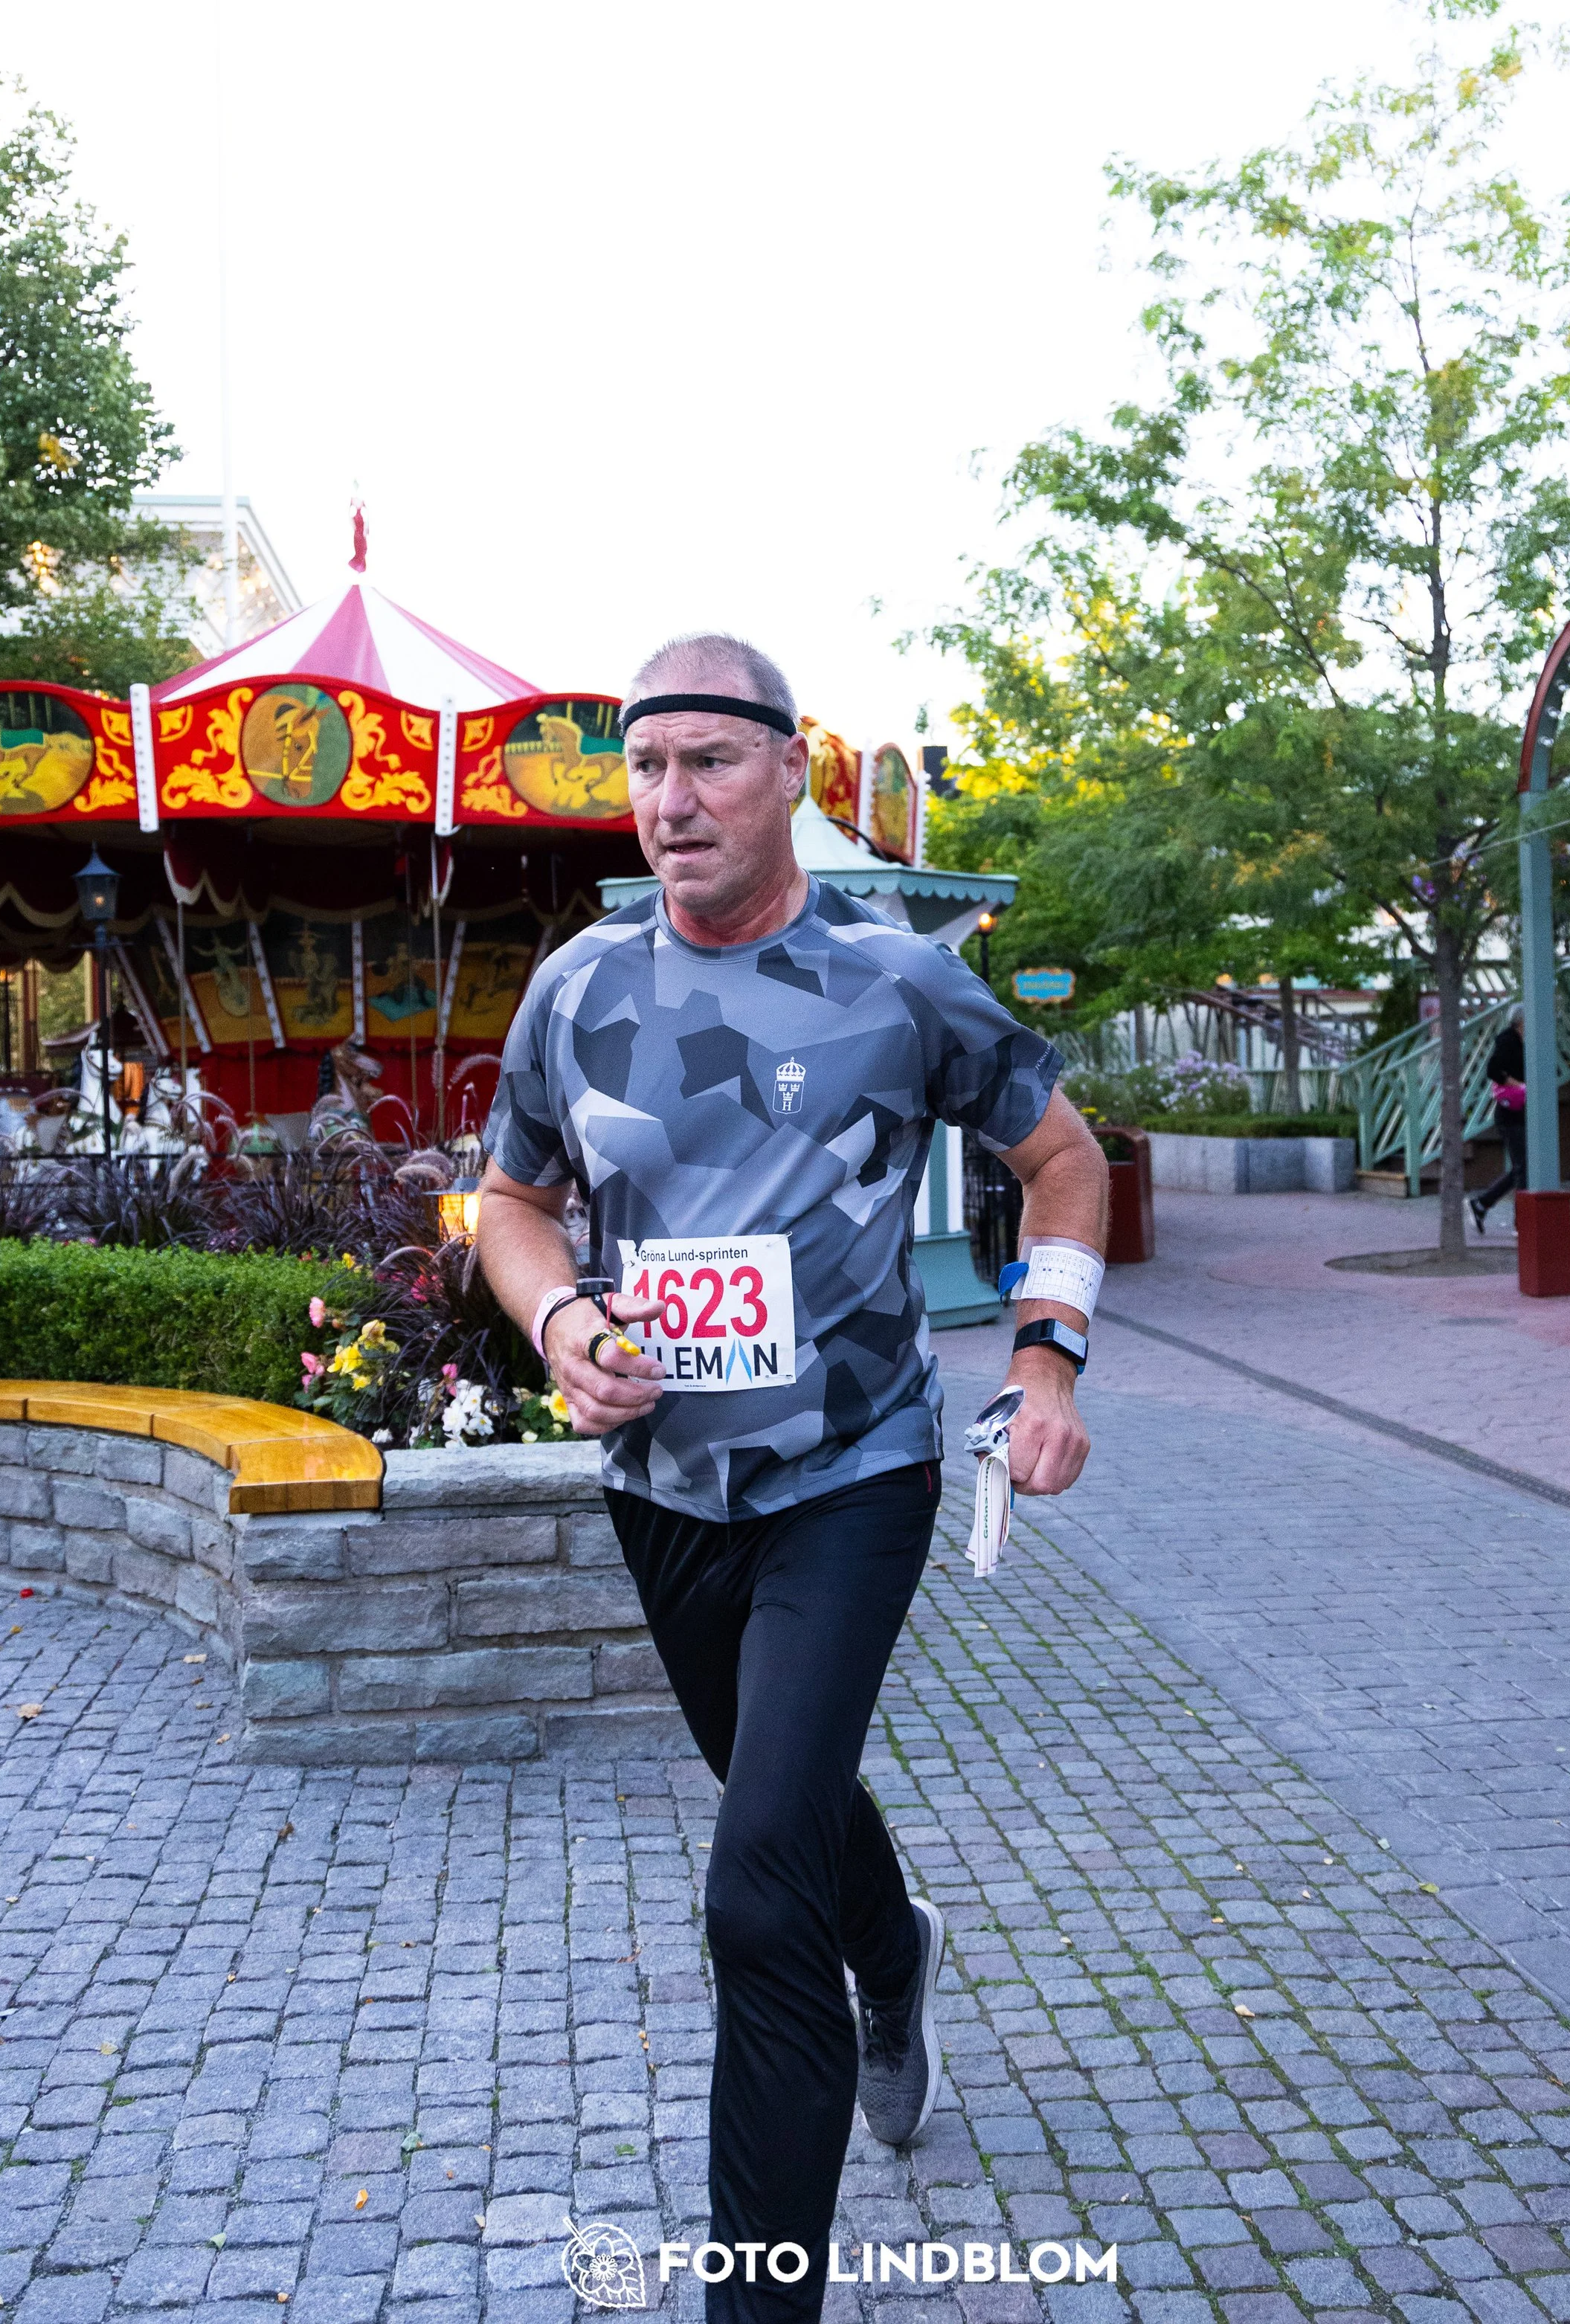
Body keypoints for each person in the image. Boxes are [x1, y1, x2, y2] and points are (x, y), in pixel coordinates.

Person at [476, 634, 1108, 2322]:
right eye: (645, 767)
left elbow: (1062, 1156)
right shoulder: (579, 987)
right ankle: (894, 1954)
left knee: (757, 1885)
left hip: (854, 1474)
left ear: (792, 772)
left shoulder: (899, 983)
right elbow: (510, 1201)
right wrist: (555, 1319)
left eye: (708, 763)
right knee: (792, 1803)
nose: (670, 801)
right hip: (661, 1488)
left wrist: (1048, 1356)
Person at [1469, 1008, 1527, 1235]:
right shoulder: (1507, 1040)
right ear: (1520, 1021)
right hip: (1509, 1113)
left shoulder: (1524, 1041)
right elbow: (1493, 1070)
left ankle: (1481, 1204)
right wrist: (1517, 1085)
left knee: (1522, 1167)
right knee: (1523, 1168)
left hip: (1521, 1110)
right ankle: (1522, 1223)